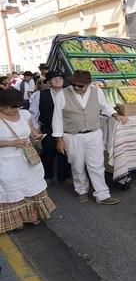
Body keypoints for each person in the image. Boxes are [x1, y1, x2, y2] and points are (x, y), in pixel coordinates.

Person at [52, 71, 128, 205]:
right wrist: (59, 140)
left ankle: (102, 194)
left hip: (94, 134)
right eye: (74, 84)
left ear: (89, 84)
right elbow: (57, 118)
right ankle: (81, 190)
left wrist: (116, 115)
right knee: (77, 165)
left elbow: (105, 107)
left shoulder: (97, 92)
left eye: (81, 86)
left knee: (97, 165)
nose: (76, 88)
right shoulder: (62, 95)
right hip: (72, 136)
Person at [0, 89, 55, 233]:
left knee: (30, 187)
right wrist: (12, 143)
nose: (16, 109)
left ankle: (32, 215)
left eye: (18, 105)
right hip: (6, 161)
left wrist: (36, 136)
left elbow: (31, 131)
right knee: (12, 189)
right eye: (12, 107)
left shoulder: (24, 114)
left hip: (27, 158)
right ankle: (16, 220)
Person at [29, 70, 71, 183]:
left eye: (60, 78)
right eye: (54, 79)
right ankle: (48, 175)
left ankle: (64, 176)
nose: (58, 80)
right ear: (48, 83)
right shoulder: (39, 95)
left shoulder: (69, 94)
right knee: (48, 152)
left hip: (67, 129)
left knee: (65, 153)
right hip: (47, 129)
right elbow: (33, 114)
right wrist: (36, 130)